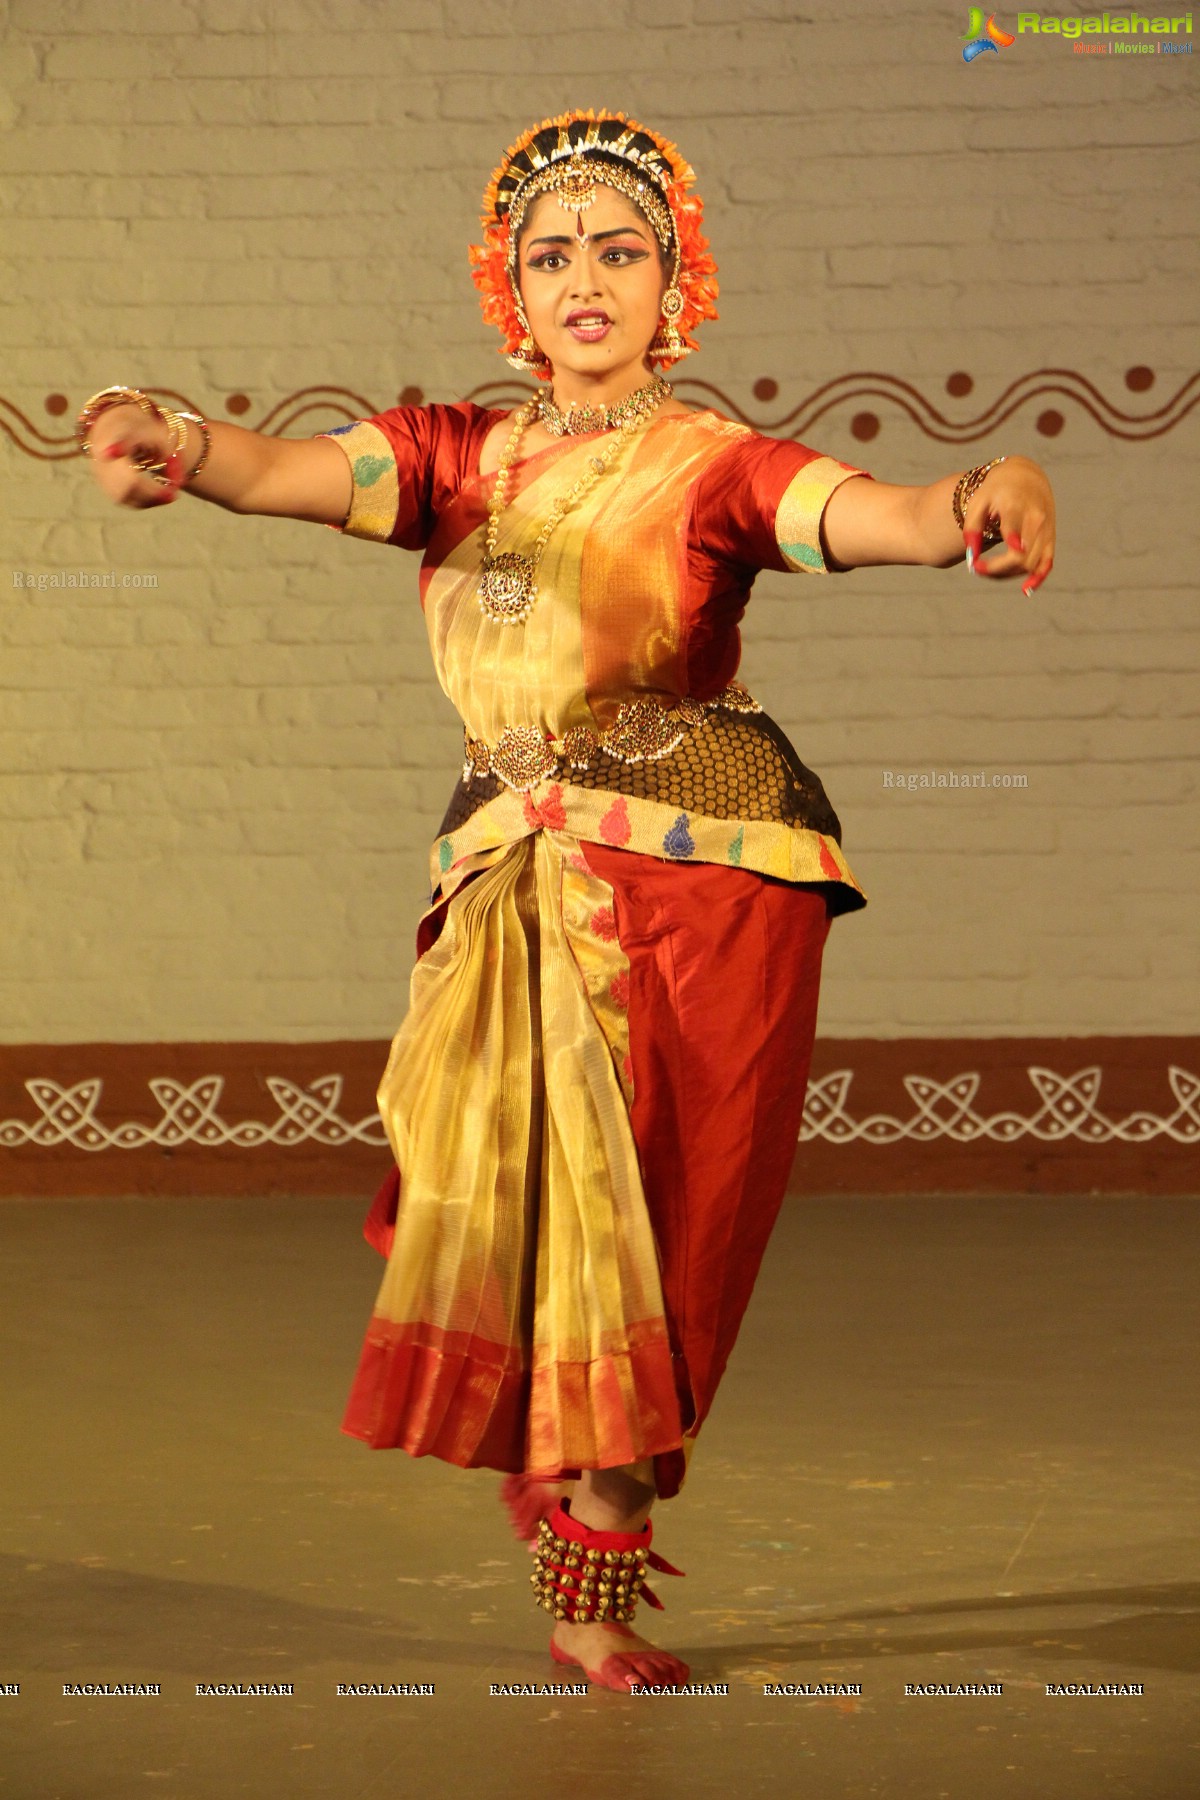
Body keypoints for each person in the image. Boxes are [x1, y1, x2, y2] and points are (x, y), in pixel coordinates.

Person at [80, 109, 1056, 1696]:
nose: (583, 277)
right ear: (509, 293)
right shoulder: (455, 458)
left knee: (666, 1236)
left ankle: (597, 1562)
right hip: (513, 884)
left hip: (701, 897)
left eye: (620, 250)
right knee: (519, 1223)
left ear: (675, 287)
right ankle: (573, 1545)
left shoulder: (715, 463)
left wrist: (981, 493)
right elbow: (270, 471)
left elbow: (877, 516)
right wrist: (165, 432)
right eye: (551, 255)